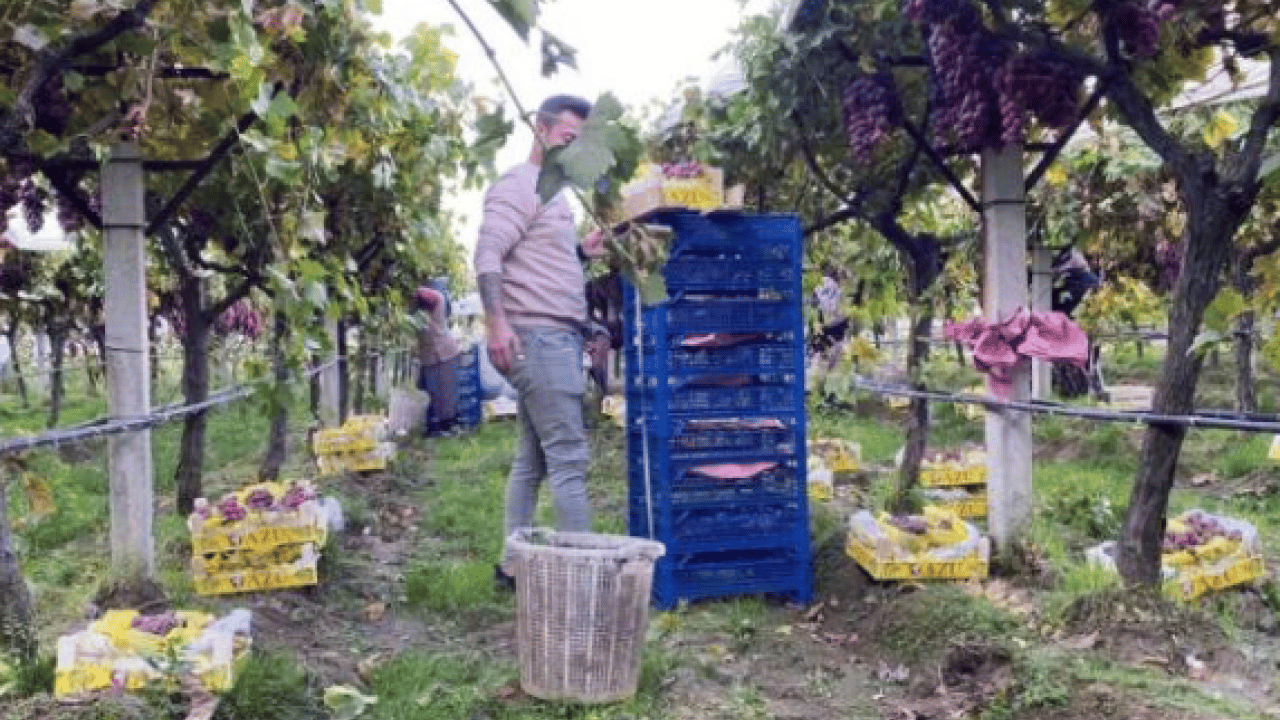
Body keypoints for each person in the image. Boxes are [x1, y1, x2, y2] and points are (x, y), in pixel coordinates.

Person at [473, 94, 605, 591]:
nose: (574, 149)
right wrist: (496, 323)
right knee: (569, 458)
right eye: (568, 138)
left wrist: (579, 254)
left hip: (550, 337)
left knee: (533, 459)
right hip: (539, 338)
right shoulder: (520, 184)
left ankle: (513, 564)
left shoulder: (551, 192)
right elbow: (488, 254)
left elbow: (535, 261)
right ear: (541, 129)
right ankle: (583, 580)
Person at [413, 285, 462, 435]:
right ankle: (436, 425)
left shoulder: (437, 301)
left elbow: (427, 296)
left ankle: (448, 425)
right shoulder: (420, 315)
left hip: (445, 352)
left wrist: (415, 294)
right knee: (432, 391)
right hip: (430, 356)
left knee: (446, 391)